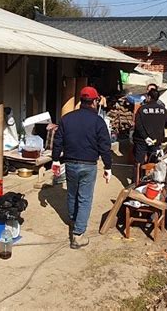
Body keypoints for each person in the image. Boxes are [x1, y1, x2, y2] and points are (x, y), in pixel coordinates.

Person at [52, 86, 112, 249]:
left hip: (70, 163)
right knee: (85, 198)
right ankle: (78, 235)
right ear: (94, 102)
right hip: (89, 165)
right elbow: (105, 146)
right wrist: (108, 167)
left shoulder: (67, 119)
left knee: (72, 193)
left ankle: (73, 219)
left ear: (81, 100)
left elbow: (57, 141)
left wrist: (55, 160)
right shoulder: (98, 121)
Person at [133, 88, 167, 165]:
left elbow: (138, 125)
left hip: (141, 141)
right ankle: (150, 176)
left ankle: (138, 176)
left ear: (149, 97)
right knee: (154, 163)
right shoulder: (163, 110)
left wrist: (146, 137)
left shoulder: (142, 109)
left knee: (139, 163)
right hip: (156, 141)